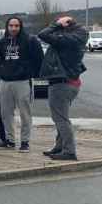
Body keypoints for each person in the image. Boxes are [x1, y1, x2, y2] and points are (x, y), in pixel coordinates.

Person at [37, 16, 88, 161]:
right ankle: (59, 146)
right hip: (70, 82)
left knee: (60, 119)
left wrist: (56, 24)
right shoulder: (77, 38)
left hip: (61, 83)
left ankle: (69, 151)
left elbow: (43, 34)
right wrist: (60, 26)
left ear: (66, 26)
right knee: (61, 116)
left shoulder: (67, 40)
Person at [0, 16, 43, 151]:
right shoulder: (2, 42)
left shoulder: (30, 41)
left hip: (22, 81)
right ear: (7, 27)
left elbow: (39, 60)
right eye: (11, 26)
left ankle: (25, 142)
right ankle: (9, 140)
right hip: (5, 82)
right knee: (5, 113)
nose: (14, 28)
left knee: (25, 114)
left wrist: (32, 76)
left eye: (16, 26)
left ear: (20, 27)